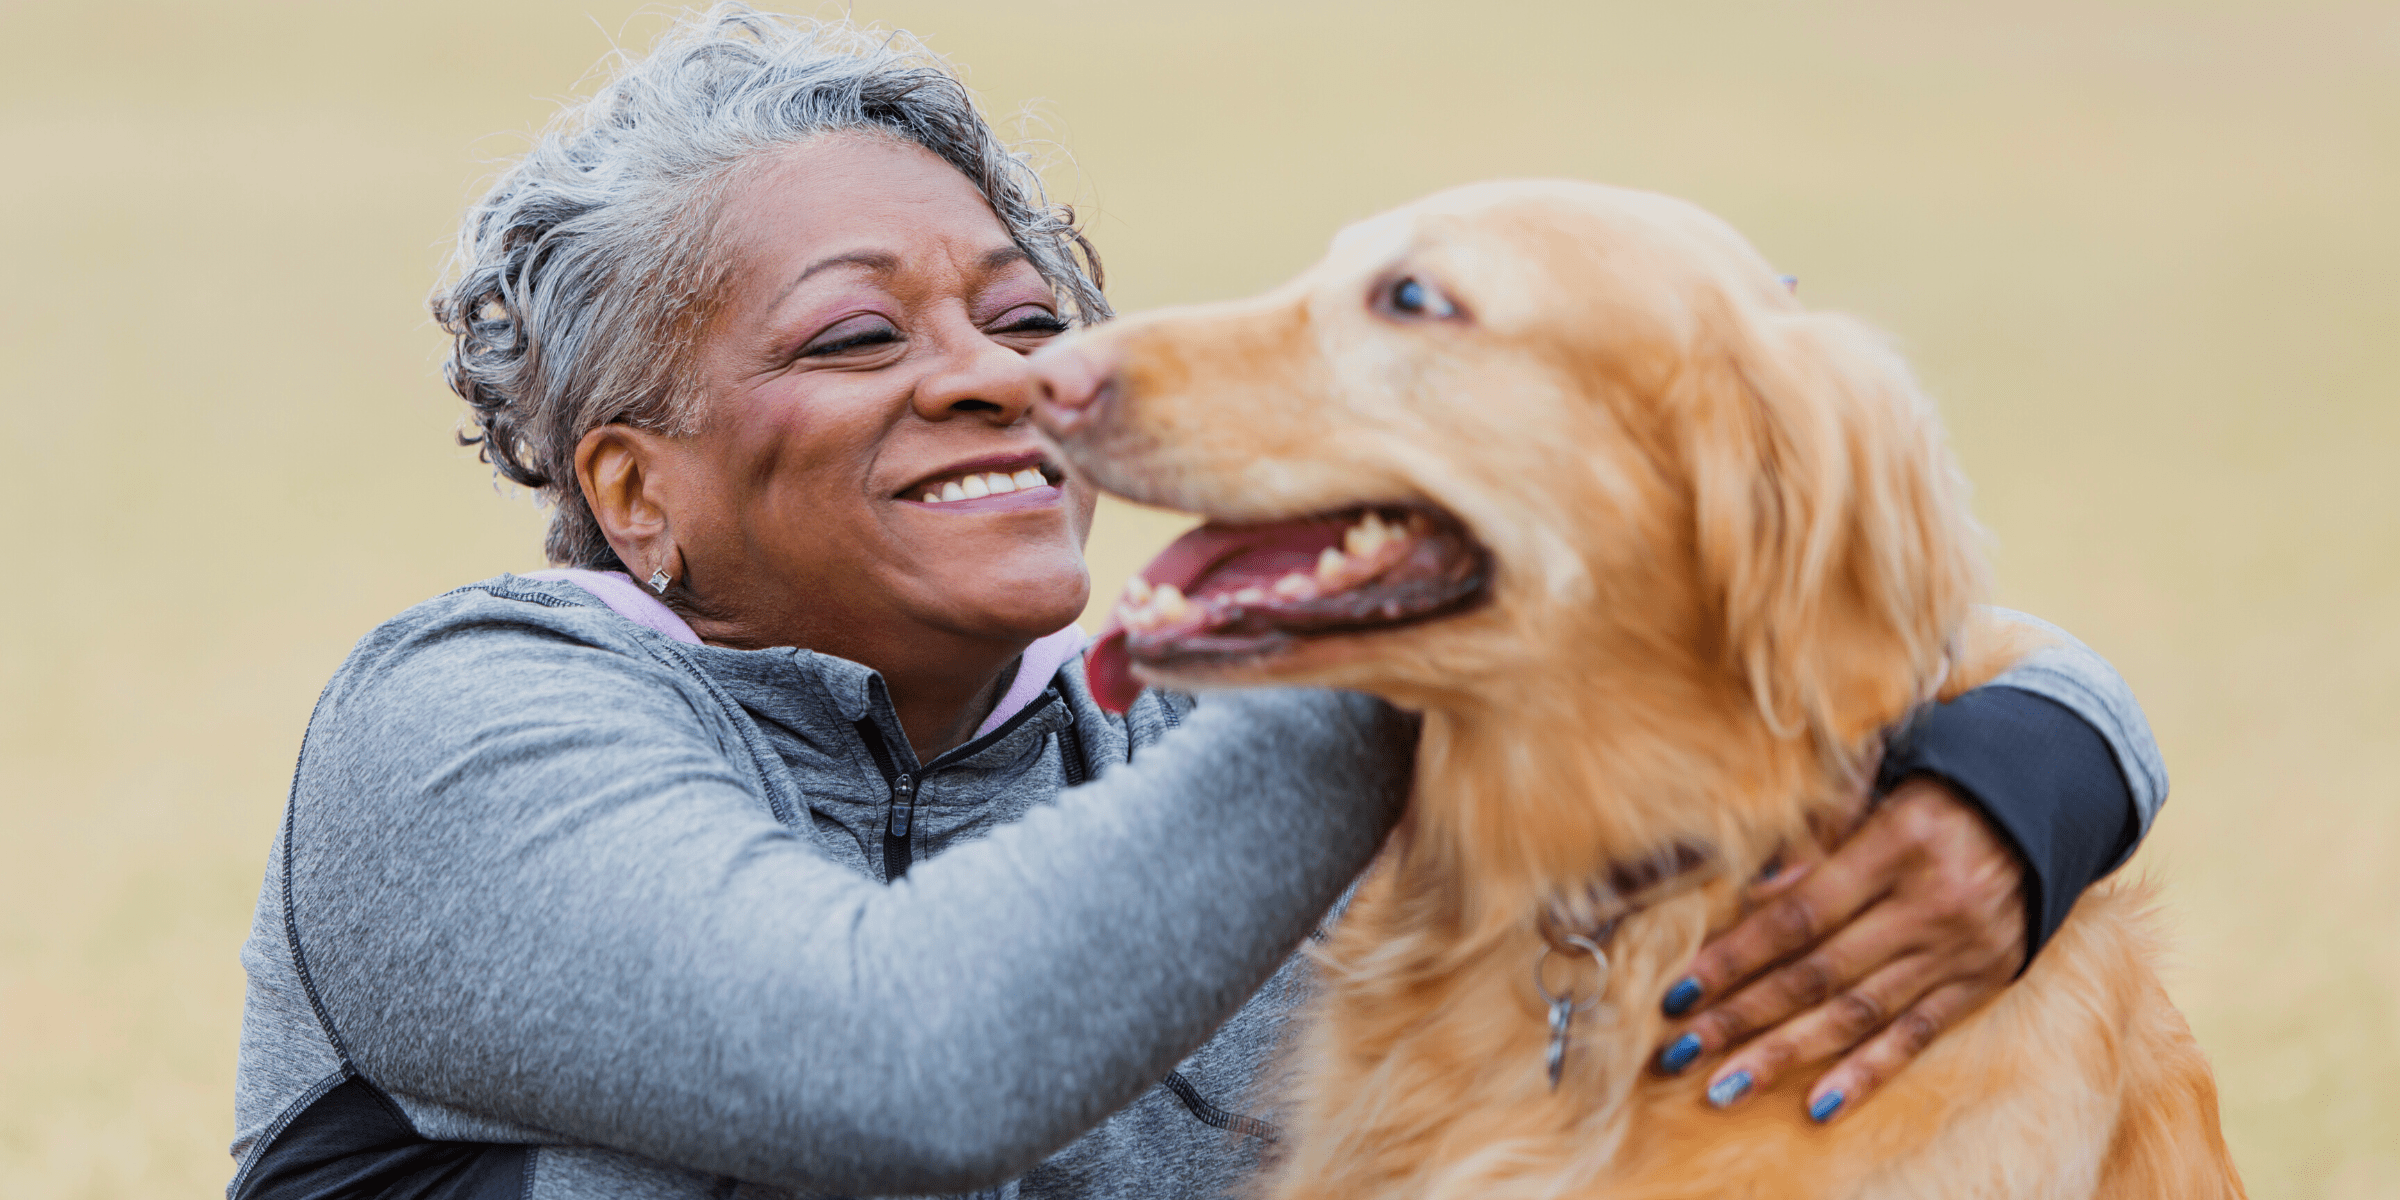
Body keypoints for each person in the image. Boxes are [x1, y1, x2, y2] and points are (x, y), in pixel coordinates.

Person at [228, 8, 2167, 1198]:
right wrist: (1403, 626)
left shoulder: (1186, 698)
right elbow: (907, 1065)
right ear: (634, 490)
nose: (1009, 377)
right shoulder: (469, 734)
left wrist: (2039, 761)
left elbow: (1784, 584)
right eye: (852, 335)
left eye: (1020, 313)